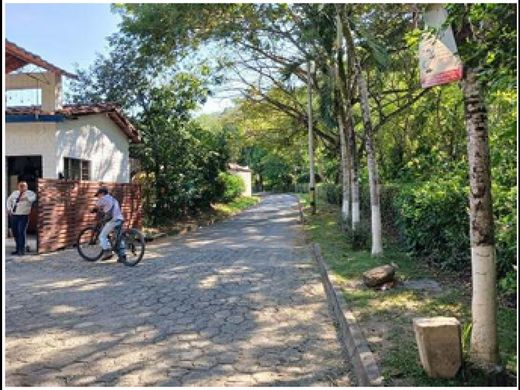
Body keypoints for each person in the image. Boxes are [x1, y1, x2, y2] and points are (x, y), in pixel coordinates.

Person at [92, 187, 126, 262]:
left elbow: (96, 207)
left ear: (102, 193)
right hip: (120, 219)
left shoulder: (103, 199)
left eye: (98, 195)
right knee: (118, 238)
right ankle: (122, 256)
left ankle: (107, 252)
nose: (98, 197)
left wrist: (93, 210)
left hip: (113, 220)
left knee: (102, 236)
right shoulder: (114, 199)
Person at [7, 181, 37, 256]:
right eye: (20, 186)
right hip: (14, 216)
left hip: (23, 216)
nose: (21, 188)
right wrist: (9, 208)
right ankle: (17, 249)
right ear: (18, 187)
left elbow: (32, 199)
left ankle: (22, 250)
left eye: (23, 186)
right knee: (15, 233)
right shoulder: (14, 193)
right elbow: (8, 200)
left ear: (26, 187)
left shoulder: (30, 193)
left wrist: (25, 197)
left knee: (21, 232)